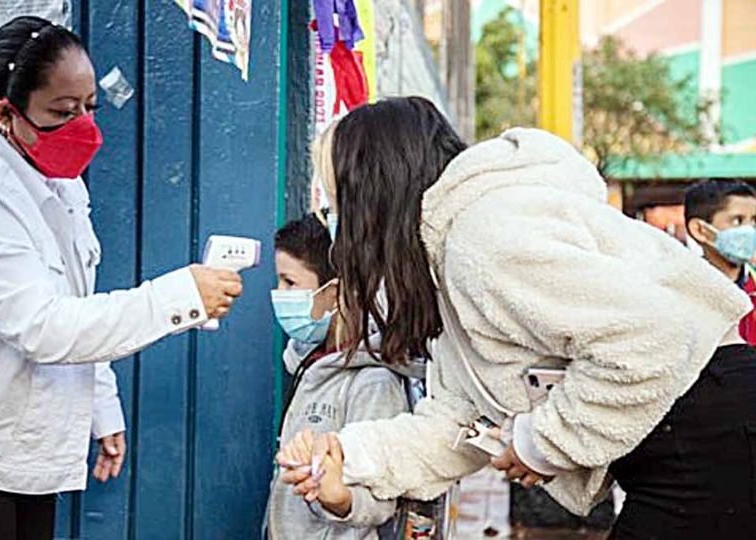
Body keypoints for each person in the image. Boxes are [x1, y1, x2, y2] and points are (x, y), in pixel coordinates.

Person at [278, 97, 756, 539]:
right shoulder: (450, 256)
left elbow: (650, 338)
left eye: (339, 200)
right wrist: (348, 456)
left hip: (709, 429)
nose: (335, 224)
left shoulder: (482, 237)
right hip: (690, 439)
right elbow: (455, 423)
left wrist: (541, 443)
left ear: (373, 195)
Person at [0, 16, 242, 540]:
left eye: (88, 107)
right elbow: (42, 326)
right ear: (6, 114)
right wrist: (179, 296)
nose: (84, 126)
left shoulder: (52, 174)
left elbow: (73, 295)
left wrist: (101, 405)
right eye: (63, 111)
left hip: (4, 448)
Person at [267, 214, 422, 539]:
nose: (278, 293)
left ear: (334, 291)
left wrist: (335, 497)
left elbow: (379, 502)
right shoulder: (308, 365)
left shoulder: (373, 383)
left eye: (290, 282)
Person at [684, 179, 756, 345]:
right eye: (737, 221)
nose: (750, 231)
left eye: (754, 221)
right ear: (700, 230)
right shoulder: (684, 294)